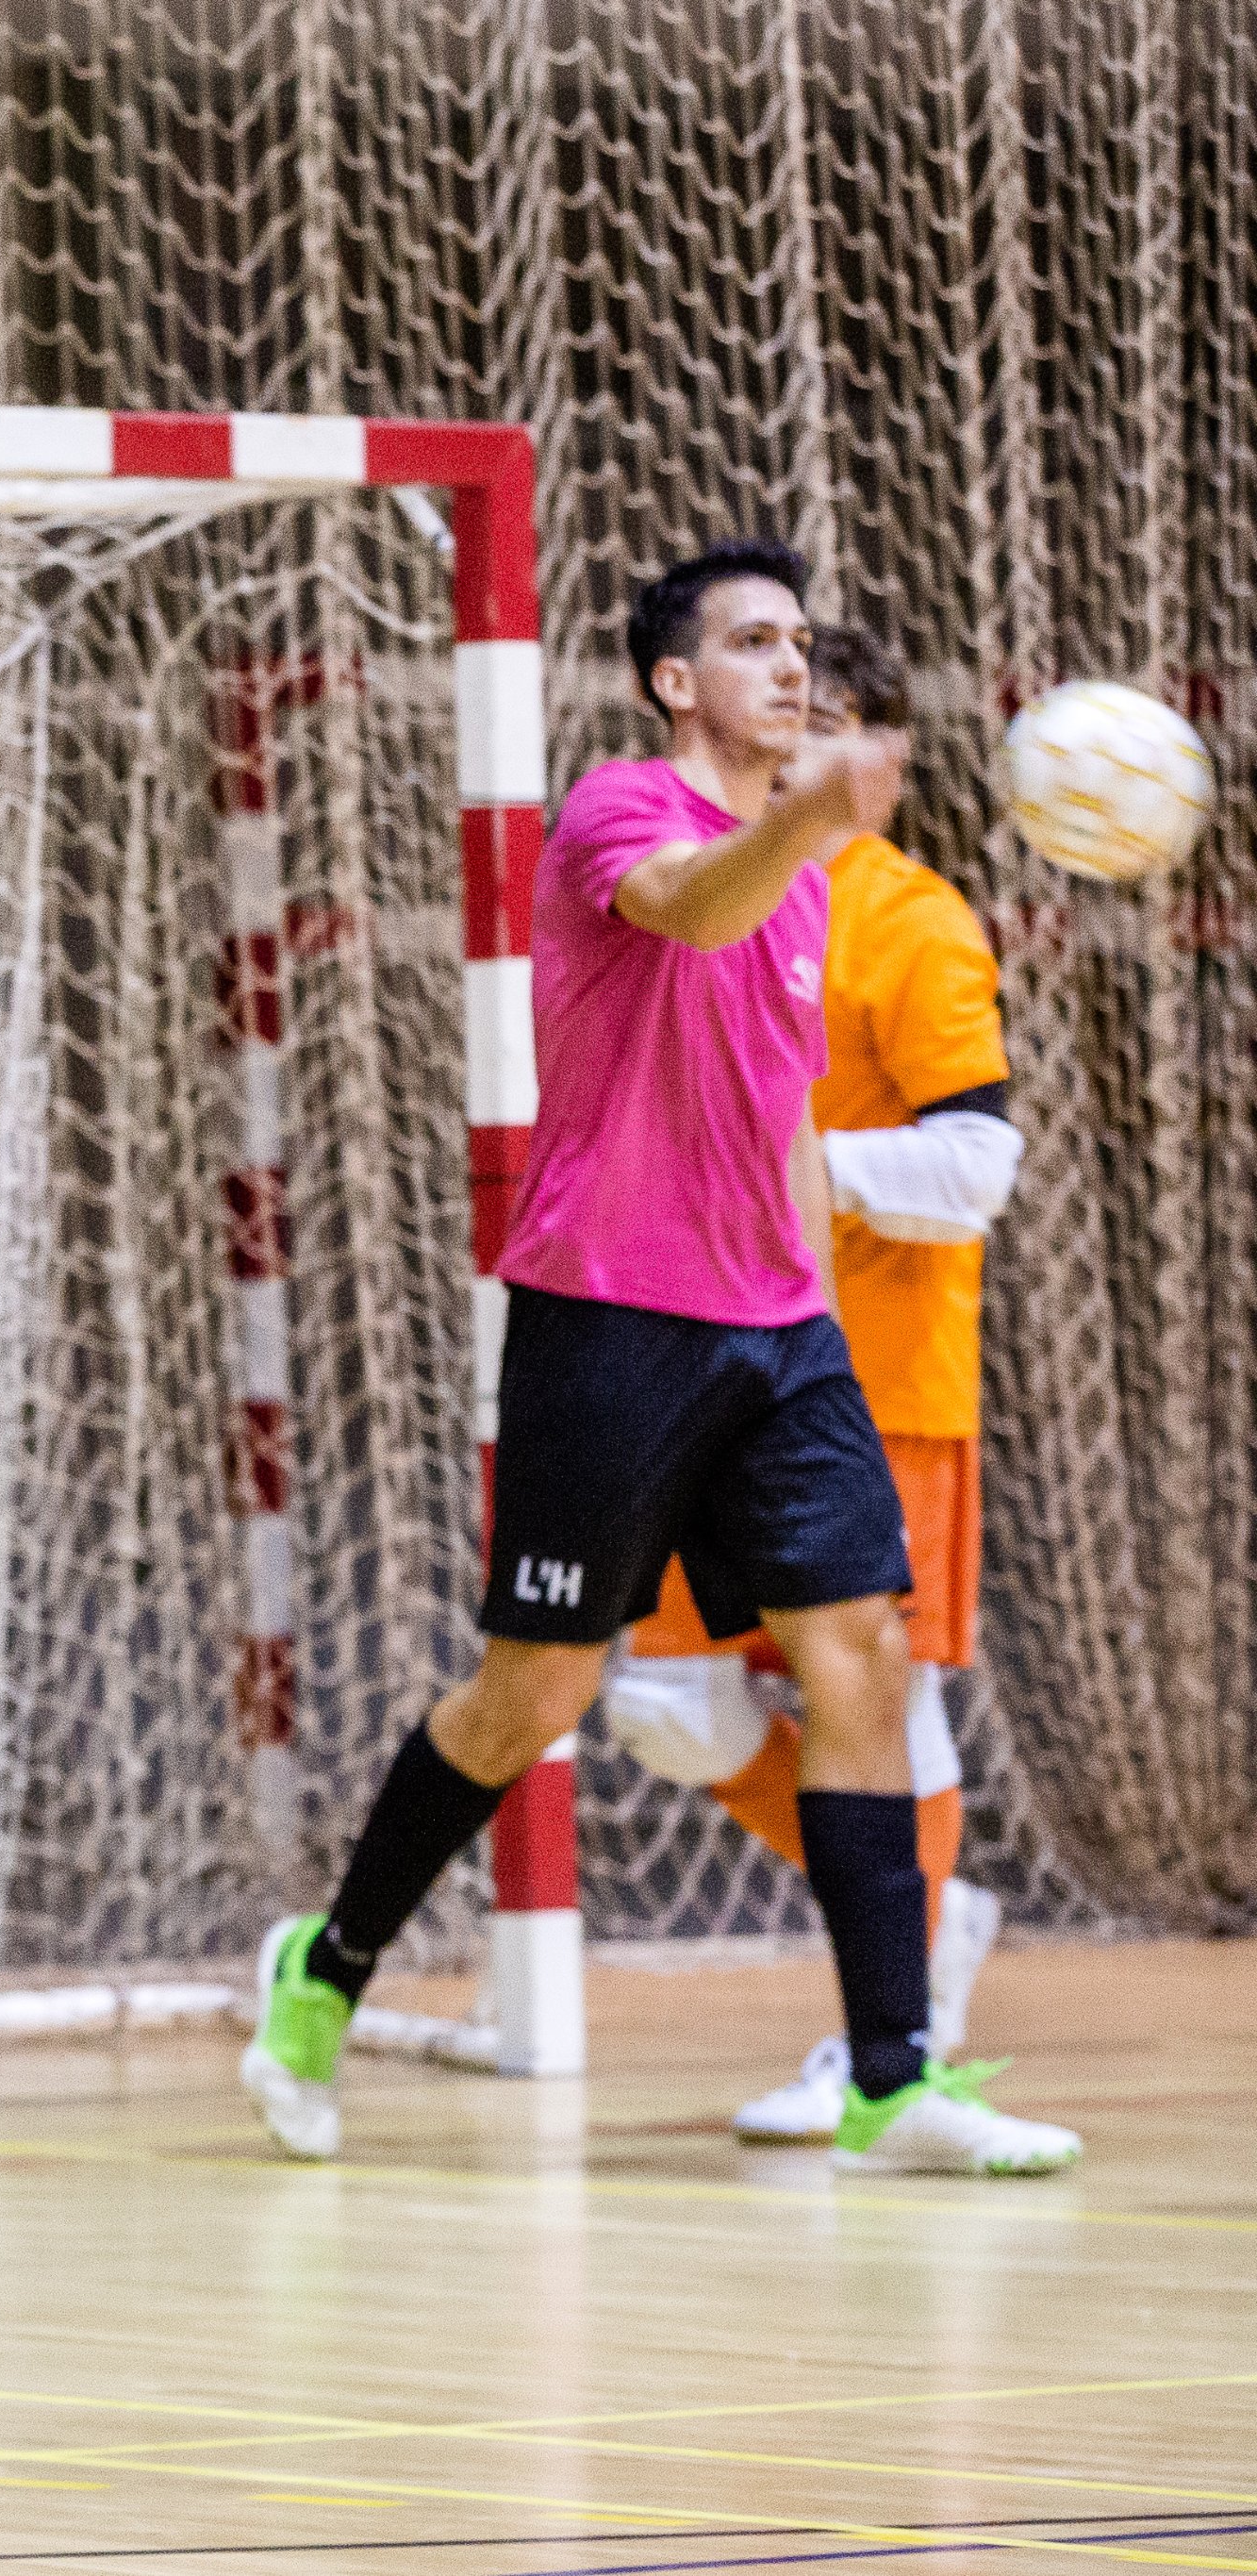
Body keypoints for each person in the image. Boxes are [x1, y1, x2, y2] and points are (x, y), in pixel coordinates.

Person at [235, 539, 1078, 2178]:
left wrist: (809, 1294)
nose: (790, 666)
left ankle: (892, 2078)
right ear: (675, 681)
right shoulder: (624, 811)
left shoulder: (821, 873)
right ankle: (324, 1969)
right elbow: (694, 911)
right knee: (535, 1691)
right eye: (755, 643)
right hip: (608, 1318)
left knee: (862, 1660)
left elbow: (774, 1113)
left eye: (804, 643)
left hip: (782, 1331)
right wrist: (805, 817)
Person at [599, 623, 1022, 2139]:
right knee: (666, 1705)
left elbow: (980, 1161)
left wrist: (793, 1170)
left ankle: (887, 2028)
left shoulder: (911, 922)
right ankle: (925, 1918)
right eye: (790, 709)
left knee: (881, 1711)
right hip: (709, 1354)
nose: (803, 739)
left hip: (881, 1369)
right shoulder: (712, 889)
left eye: (836, 719)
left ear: (888, 766)